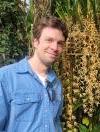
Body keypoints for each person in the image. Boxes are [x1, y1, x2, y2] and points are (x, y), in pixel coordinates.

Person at [0, 16, 68, 132]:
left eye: (60, 43)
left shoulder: (56, 83)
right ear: (35, 42)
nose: (55, 47)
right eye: (49, 40)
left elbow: (55, 122)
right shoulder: (6, 77)